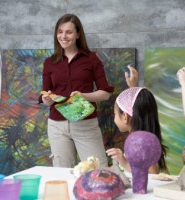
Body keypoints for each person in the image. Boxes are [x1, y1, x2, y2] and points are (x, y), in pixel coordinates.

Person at [39, 14, 114, 168]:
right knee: (61, 173)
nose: (63, 36)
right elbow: (45, 92)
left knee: (98, 171)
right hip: (57, 126)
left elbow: (105, 94)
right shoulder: (49, 62)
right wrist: (47, 99)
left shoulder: (92, 59)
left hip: (85, 124)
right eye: (60, 31)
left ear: (78, 34)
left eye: (69, 32)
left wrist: (84, 95)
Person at [106, 87, 167, 174]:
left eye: (115, 114)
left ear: (125, 117)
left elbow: (152, 173)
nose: (114, 118)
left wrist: (125, 163)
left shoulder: (140, 143)